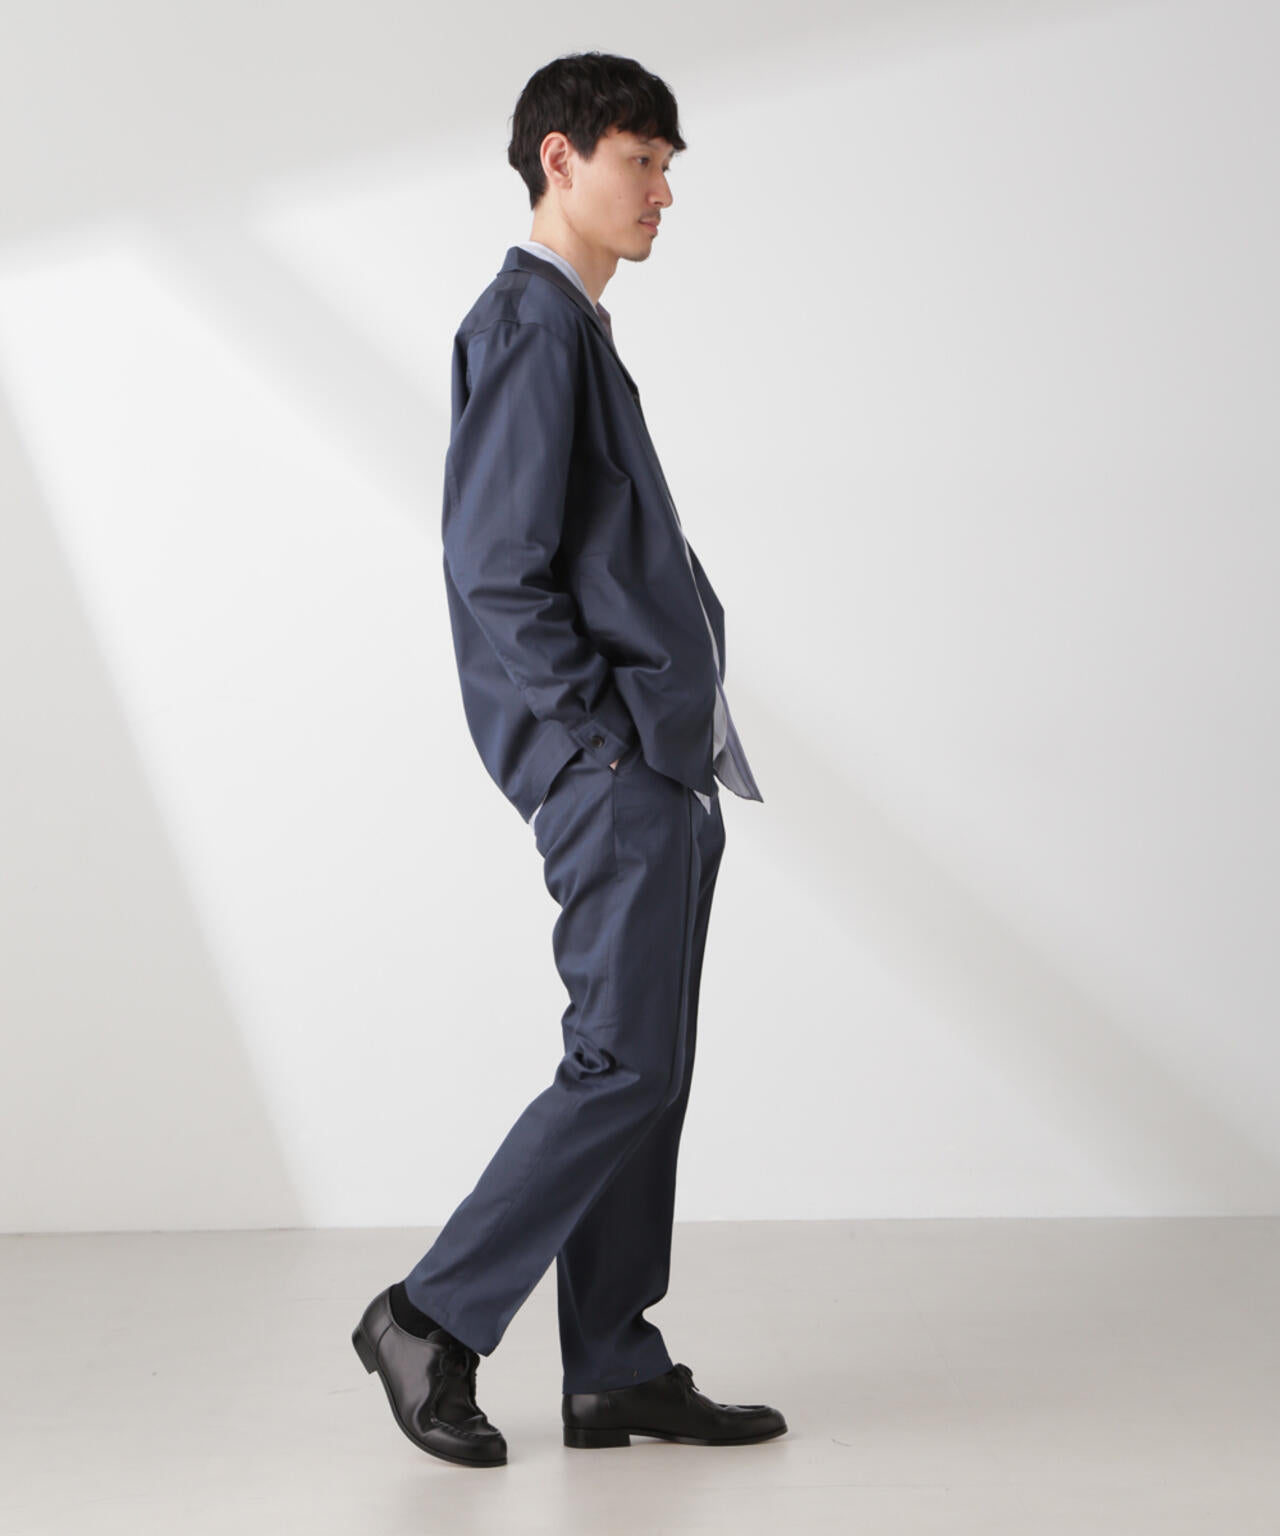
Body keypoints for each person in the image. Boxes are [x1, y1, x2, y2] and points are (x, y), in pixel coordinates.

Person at [351, 51, 786, 1469]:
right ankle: (427, 1316)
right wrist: (599, 741)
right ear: (561, 158)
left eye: (666, 165)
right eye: (641, 160)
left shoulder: (573, 328)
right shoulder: (531, 324)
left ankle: (613, 1366)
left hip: (658, 770)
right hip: (615, 775)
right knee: (620, 1066)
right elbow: (495, 564)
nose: (662, 191)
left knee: (648, 1071)